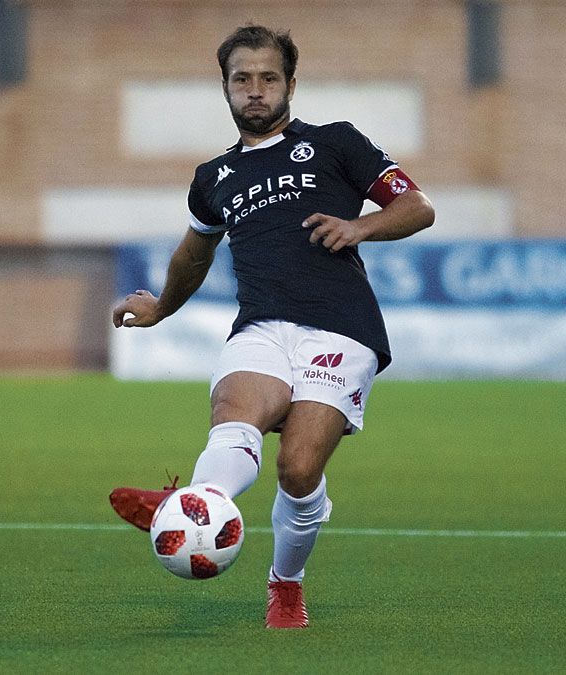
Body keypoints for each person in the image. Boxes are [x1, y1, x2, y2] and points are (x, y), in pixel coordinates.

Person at [108, 24, 434, 629]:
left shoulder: (336, 143)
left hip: (340, 327)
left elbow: (417, 206)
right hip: (260, 325)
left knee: (300, 468)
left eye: (268, 78)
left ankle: (285, 583)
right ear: (226, 88)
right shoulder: (214, 178)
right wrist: (161, 307)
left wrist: (359, 227)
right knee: (236, 410)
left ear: (289, 83)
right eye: (242, 80)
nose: (255, 90)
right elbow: (194, 253)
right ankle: (201, 502)